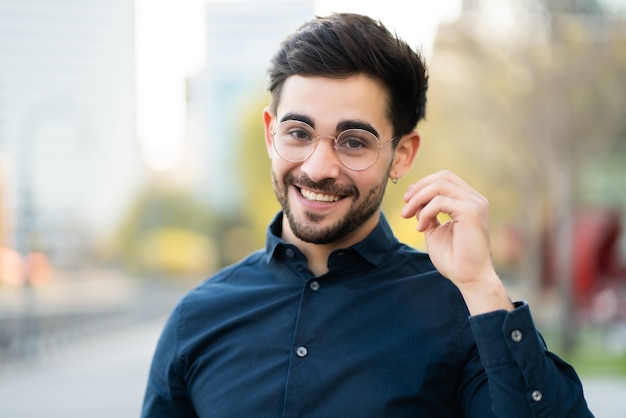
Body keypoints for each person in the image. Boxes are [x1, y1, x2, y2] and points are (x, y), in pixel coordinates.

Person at [142, 13, 593, 417]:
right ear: (269, 133)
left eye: (354, 141)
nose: (318, 168)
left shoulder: (459, 312)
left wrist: (480, 285)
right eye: (298, 133)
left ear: (401, 156)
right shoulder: (196, 320)